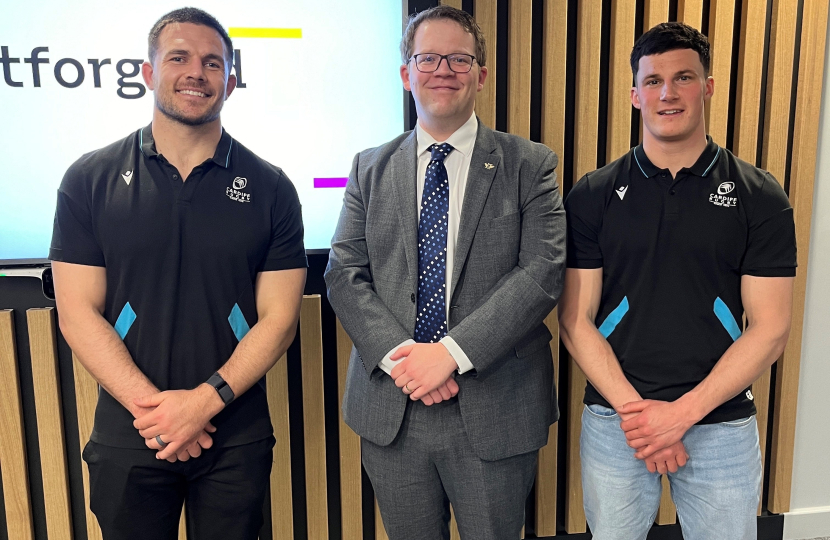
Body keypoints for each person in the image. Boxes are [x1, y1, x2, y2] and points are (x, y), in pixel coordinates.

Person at [49, 8, 307, 539]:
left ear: (231, 82)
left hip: (233, 436)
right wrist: (160, 414)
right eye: (179, 58)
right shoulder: (88, 179)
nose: (197, 72)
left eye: (213, 63)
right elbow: (77, 313)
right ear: (147, 73)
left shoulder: (272, 187)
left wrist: (202, 403)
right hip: (131, 430)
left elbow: (279, 319)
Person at [325, 6, 565, 539]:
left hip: (495, 405)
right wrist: (404, 360)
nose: (443, 70)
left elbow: (542, 271)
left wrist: (450, 354)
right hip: (394, 407)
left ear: (481, 74)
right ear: (406, 73)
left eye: (459, 59)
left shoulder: (530, 164)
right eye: (428, 58)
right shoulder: (369, 166)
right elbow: (344, 270)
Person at [559, 22, 796, 540]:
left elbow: (771, 328)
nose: (667, 93)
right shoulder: (593, 194)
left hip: (721, 424)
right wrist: (643, 420)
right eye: (653, 80)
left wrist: (681, 415)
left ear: (707, 86)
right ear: (634, 93)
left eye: (683, 77)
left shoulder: (760, 196)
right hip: (618, 422)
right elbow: (575, 321)